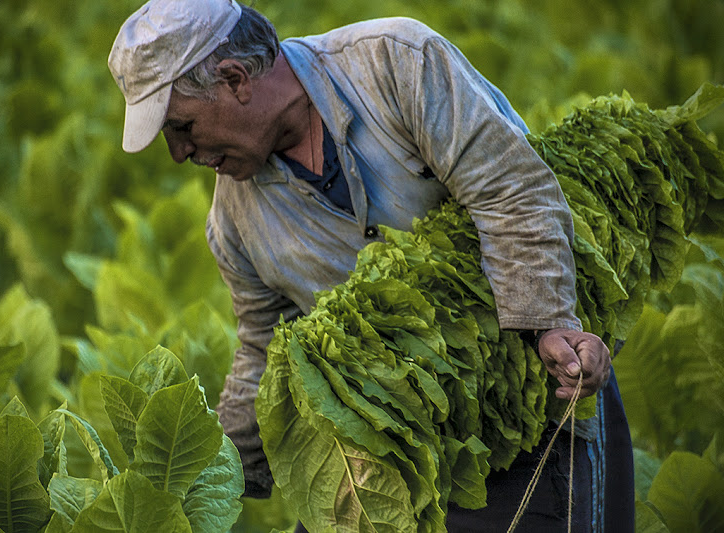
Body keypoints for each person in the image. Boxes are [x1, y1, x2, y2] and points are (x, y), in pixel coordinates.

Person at [108, 0, 634, 531]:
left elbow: (509, 190)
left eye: (181, 126)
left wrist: (548, 323)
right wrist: (208, 479)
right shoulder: (233, 226)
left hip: (529, 402)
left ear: (235, 78)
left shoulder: (396, 63)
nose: (179, 152)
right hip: (401, 452)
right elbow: (268, 347)